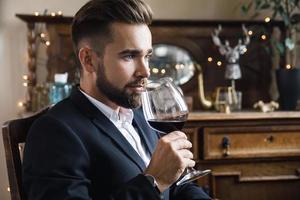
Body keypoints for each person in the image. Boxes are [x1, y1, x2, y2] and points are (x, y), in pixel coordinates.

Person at [22, 0, 212, 199]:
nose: (145, 71)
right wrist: (154, 182)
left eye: (147, 56)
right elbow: (161, 182)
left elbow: (179, 188)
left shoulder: (142, 115)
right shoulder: (54, 132)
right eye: (129, 56)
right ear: (88, 60)